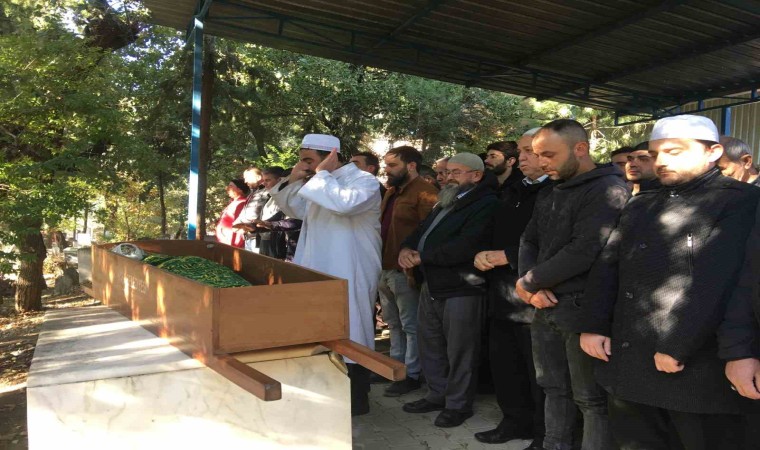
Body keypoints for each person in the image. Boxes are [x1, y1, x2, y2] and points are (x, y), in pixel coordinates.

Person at [579, 115, 760, 450]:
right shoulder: (642, 203)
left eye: (674, 152)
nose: (661, 161)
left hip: (693, 365)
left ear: (713, 152)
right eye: (655, 153)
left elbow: (717, 281)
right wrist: (593, 324)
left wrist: (677, 344)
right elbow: (608, 266)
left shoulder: (740, 201)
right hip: (630, 359)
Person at [516, 119, 629, 450]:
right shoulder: (553, 189)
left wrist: (529, 282)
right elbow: (528, 239)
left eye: (548, 154)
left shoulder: (608, 189)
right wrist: (530, 285)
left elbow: (584, 250)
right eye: (537, 155)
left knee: (590, 399)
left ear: (580, 149)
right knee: (553, 388)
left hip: (582, 309)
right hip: (544, 305)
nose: (541, 163)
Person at [270, 134, 381, 416]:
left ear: (331, 155)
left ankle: (357, 398)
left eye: (308, 160)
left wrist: (321, 175)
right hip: (319, 264)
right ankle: (327, 391)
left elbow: (344, 205)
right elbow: (294, 208)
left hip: (351, 266)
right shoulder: (320, 183)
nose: (304, 165)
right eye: (302, 160)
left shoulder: (364, 181)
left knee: (352, 326)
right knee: (319, 325)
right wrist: (294, 179)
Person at [398, 152, 499, 428]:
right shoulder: (446, 201)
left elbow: (467, 245)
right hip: (432, 283)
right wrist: (406, 248)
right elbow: (420, 232)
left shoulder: (487, 203)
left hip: (462, 286)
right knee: (430, 343)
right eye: (446, 172)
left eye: (456, 172)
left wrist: (422, 257)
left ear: (476, 176)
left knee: (460, 350)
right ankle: (436, 395)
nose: (447, 177)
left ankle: (458, 405)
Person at [472, 127, 550, 449]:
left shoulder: (557, 191)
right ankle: (514, 422)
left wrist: (508, 255)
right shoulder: (513, 190)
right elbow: (493, 231)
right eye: (521, 151)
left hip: (536, 298)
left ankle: (545, 433)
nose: (523, 157)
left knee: (539, 374)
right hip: (502, 294)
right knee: (507, 366)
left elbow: (560, 246)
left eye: (530, 151)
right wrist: (481, 252)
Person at [378, 145, 438, 397]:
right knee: (393, 323)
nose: (387, 170)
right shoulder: (392, 191)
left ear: (411, 165)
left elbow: (430, 231)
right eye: (386, 165)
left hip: (406, 271)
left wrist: (415, 264)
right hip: (384, 267)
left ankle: (411, 374)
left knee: (410, 325)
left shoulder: (425, 192)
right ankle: (395, 369)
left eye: (393, 165)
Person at [233, 166, 269, 253]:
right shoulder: (253, 193)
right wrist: (237, 223)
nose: (245, 181)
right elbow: (245, 210)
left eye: (247, 178)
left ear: (258, 177)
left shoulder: (267, 192)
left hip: (259, 236)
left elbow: (263, 213)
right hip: (248, 236)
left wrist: (249, 225)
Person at [215, 178, 250, 247]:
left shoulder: (241, 203)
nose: (227, 188)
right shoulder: (234, 202)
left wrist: (235, 244)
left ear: (240, 190)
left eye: (231, 186)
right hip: (225, 242)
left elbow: (239, 225)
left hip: (232, 243)